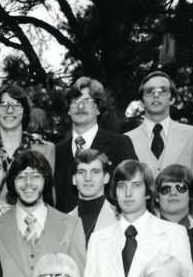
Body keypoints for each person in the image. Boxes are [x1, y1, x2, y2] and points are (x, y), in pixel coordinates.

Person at [80, 159, 193, 277]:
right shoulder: (99, 239)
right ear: (115, 192)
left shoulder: (174, 234)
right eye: (121, 186)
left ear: (148, 192)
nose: (128, 193)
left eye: (136, 185)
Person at [0, 150, 86, 277]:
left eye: (35, 176)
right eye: (21, 177)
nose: (28, 183)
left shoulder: (71, 225)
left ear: (46, 180)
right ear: (12, 182)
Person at [52, 77, 137, 211]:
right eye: (75, 101)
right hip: (65, 229)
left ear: (98, 108)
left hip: (110, 227)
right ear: (68, 109)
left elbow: (133, 189)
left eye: (87, 101)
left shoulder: (119, 144)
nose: (80, 106)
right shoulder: (57, 150)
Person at [125, 71, 193, 177]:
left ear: (172, 99)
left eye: (163, 90)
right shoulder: (126, 139)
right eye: (149, 91)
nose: (156, 95)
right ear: (142, 102)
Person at [0, 81, 56, 170]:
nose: (10, 111)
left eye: (16, 105)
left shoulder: (46, 149)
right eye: (3, 105)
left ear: (24, 112)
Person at [68, 149, 118, 244]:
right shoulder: (62, 222)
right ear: (74, 179)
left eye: (95, 172)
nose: (87, 178)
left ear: (106, 178)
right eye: (81, 172)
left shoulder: (121, 219)